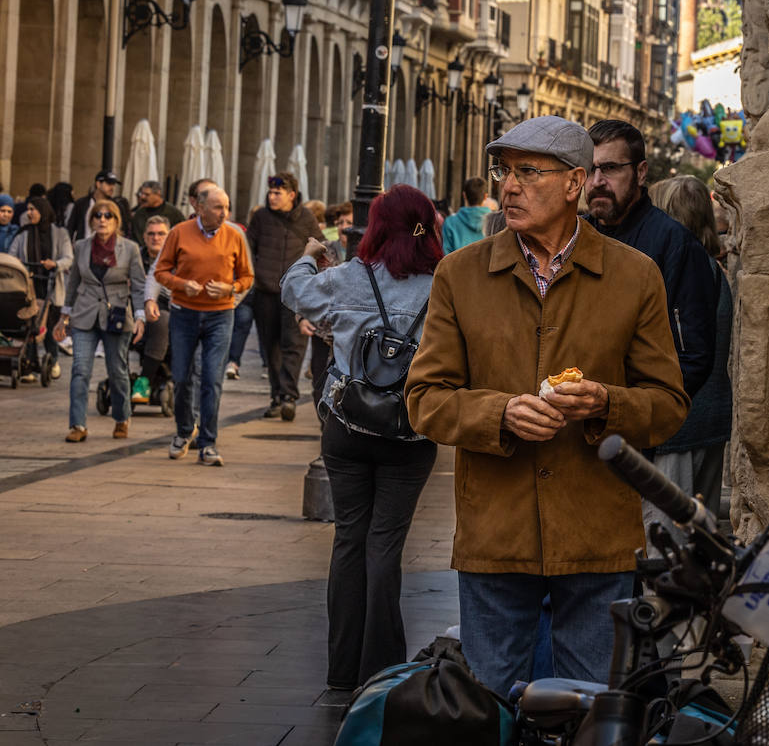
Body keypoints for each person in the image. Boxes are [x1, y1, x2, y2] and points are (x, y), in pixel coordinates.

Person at [405, 116, 689, 698]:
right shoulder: (460, 274)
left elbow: (668, 404)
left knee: (587, 708)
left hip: (596, 533)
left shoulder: (635, 276)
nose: (508, 186)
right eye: (504, 172)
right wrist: (499, 414)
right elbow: (424, 400)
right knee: (489, 707)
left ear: (574, 183)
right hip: (495, 534)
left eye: (528, 172)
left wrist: (606, 403)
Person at [282, 185, 441, 689]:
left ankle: (342, 668)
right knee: (385, 545)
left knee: (349, 538)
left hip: (347, 428)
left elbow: (294, 293)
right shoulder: (444, 285)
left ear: (374, 228)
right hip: (410, 432)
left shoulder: (350, 277)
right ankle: (383, 667)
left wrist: (309, 257)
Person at [585, 120, 718, 398]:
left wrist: (630, 409)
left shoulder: (674, 244)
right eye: (589, 169)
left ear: (640, 172)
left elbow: (691, 357)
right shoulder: (575, 237)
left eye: (610, 168)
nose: (597, 181)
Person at [644, 176, 733, 518]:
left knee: (666, 531)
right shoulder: (715, 271)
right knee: (700, 531)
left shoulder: (677, 272)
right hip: (710, 417)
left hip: (679, 424)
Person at [155, 186, 254, 466]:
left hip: (220, 315)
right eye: (217, 207)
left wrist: (230, 288)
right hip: (184, 314)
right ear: (200, 208)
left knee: (212, 379)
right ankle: (185, 430)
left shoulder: (235, 235)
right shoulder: (179, 232)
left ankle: (208, 443)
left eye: (226, 207)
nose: (224, 213)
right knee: (183, 377)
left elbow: (247, 276)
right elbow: (161, 271)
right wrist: (181, 284)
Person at [53, 200, 145, 442]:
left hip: (115, 314)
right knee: (80, 369)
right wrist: (64, 317)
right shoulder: (82, 246)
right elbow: (73, 283)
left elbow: (138, 286)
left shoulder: (130, 248)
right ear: (91, 221)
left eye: (108, 216)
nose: (102, 220)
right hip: (84, 314)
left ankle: (122, 417)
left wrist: (140, 317)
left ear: (116, 221)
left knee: (117, 370)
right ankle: (78, 425)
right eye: (97, 216)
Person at [246, 172, 323, 420]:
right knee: (270, 347)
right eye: (270, 193)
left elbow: (319, 249)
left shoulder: (306, 218)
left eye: (277, 193)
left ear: (291, 194)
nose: (272, 197)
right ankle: (276, 396)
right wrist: (256, 276)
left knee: (294, 345)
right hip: (266, 291)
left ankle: (289, 396)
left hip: (296, 293)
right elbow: (249, 248)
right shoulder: (261, 217)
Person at [9, 197, 74, 382]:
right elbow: (13, 255)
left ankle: (52, 360)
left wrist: (55, 264)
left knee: (50, 325)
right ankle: (28, 363)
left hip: (52, 286)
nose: (29, 213)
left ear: (43, 211)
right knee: (30, 326)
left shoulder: (60, 233)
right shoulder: (23, 234)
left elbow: (68, 257)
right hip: (29, 286)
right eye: (28, 209)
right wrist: (19, 265)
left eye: (33, 209)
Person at [132, 216, 173, 406]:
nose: (155, 238)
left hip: (165, 310)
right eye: (151, 234)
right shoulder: (135, 257)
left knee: (161, 320)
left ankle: (144, 380)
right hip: (132, 308)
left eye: (161, 234)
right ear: (144, 236)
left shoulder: (176, 258)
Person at [67, 171, 132, 241]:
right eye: (109, 183)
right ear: (98, 184)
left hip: (110, 248)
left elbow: (123, 229)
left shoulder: (116, 206)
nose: (112, 187)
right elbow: (70, 228)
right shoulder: (81, 204)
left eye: (113, 184)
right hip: (85, 248)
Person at [442, 177, 492, 253]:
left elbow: (445, 255)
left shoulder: (450, 223)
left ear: (464, 195)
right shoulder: (495, 222)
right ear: (485, 196)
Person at [129, 181, 184, 245]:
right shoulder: (139, 214)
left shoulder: (174, 213)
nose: (142, 197)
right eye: (142, 194)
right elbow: (135, 238)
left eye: (147, 195)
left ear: (158, 194)